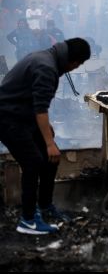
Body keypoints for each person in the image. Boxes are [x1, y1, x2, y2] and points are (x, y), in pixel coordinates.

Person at [0, 38, 91, 234]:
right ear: (73, 61)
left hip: (22, 114)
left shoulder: (47, 58)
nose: (76, 68)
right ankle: (28, 221)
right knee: (33, 161)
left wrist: (46, 130)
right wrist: (49, 143)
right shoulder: (46, 68)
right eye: (79, 64)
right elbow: (41, 107)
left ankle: (45, 205)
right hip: (7, 118)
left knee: (51, 159)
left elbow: (33, 100)